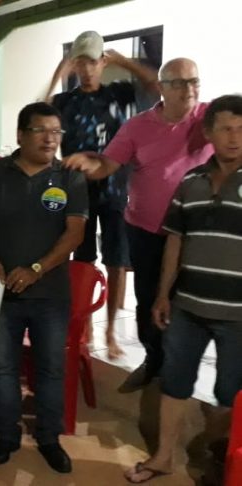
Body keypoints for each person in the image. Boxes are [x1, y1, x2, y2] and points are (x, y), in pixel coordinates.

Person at [64, 58, 214, 392]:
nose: (189, 90)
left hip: (195, 234)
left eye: (194, 81)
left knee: (189, 303)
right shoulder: (137, 127)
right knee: (149, 300)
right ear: (162, 89)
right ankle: (153, 362)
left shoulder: (209, 119)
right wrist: (87, 162)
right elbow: (107, 164)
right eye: (179, 83)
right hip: (146, 230)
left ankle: (180, 373)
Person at [123, 95, 242, 482]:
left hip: (237, 314)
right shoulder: (190, 183)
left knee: (232, 393)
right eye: (226, 129)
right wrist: (162, 294)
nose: (234, 137)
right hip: (187, 307)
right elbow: (175, 240)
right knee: (174, 384)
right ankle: (162, 458)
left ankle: (224, 460)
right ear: (208, 133)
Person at [0, 102, 88, 473]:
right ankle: (7, 435)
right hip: (1, 291)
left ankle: (49, 438)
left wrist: (37, 269)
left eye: (56, 132)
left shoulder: (69, 177)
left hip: (51, 295)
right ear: (21, 135)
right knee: (3, 368)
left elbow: (75, 233)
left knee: (50, 369)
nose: (51, 139)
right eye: (41, 130)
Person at [46, 31, 158, 360]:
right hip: (77, 192)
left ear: (102, 63)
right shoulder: (65, 102)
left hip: (115, 190)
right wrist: (57, 74)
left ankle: (110, 331)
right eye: (81, 63)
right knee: (82, 260)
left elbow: (156, 86)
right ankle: (85, 326)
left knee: (116, 261)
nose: (87, 69)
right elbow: (38, 114)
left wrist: (125, 61)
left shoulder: (120, 94)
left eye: (93, 62)